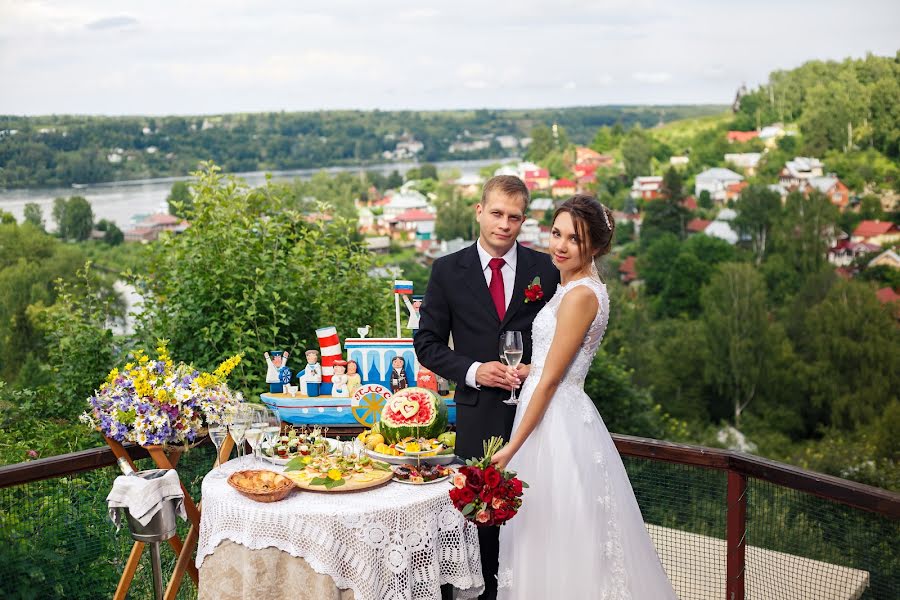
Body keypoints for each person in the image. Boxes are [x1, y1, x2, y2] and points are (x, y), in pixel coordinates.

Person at [490, 195, 677, 599]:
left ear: (594, 246)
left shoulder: (580, 296)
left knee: (559, 534)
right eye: (556, 233)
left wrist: (511, 447)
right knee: (544, 533)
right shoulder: (572, 288)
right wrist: (525, 370)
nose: (559, 246)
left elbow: (553, 381)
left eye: (573, 239)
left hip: (554, 422)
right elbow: (551, 366)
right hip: (551, 410)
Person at [414, 175, 559, 600]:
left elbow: (562, 342)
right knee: (484, 535)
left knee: (540, 521)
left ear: (524, 220)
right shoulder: (446, 270)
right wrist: (475, 369)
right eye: (496, 213)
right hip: (478, 420)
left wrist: (534, 370)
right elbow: (427, 345)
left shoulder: (546, 270)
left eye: (514, 217)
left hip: (538, 417)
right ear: (479, 211)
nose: (504, 224)